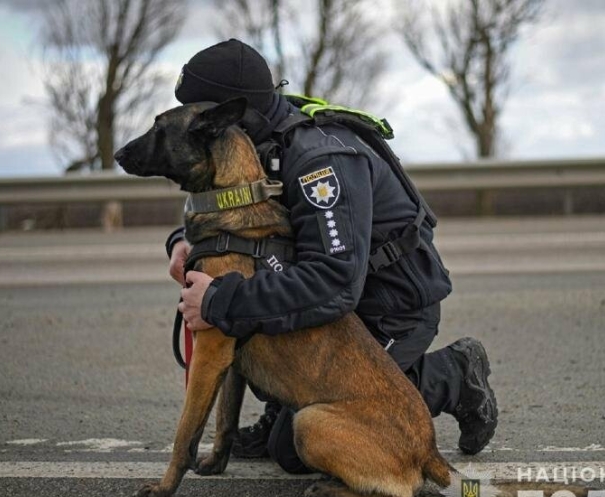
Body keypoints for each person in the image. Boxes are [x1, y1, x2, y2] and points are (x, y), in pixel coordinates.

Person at [166, 39, 498, 473]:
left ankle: (452, 375)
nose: (197, 129)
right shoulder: (256, 144)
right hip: (337, 308)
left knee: (295, 448)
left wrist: (218, 302)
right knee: (256, 322)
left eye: (202, 118)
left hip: (388, 308)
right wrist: (182, 242)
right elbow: (226, 213)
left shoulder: (319, 160)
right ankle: (284, 405)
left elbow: (335, 282)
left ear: (232, 113)